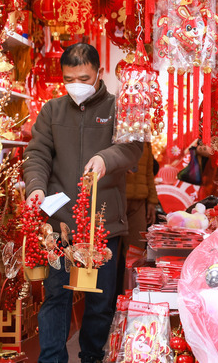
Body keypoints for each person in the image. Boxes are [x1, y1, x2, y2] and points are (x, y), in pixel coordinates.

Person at [24, 43, 142, 363]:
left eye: (84, 77)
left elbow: (132, 148)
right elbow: (37, 155)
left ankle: (92, 357)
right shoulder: (52, 110)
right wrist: (35, 187)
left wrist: (105, 158)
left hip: (103, 225)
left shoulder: (118, 108)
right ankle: (52, 360)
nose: (76, 84)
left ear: (99, 74)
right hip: (59, 223)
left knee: (100, 302)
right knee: (55, 299)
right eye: (69, 77)